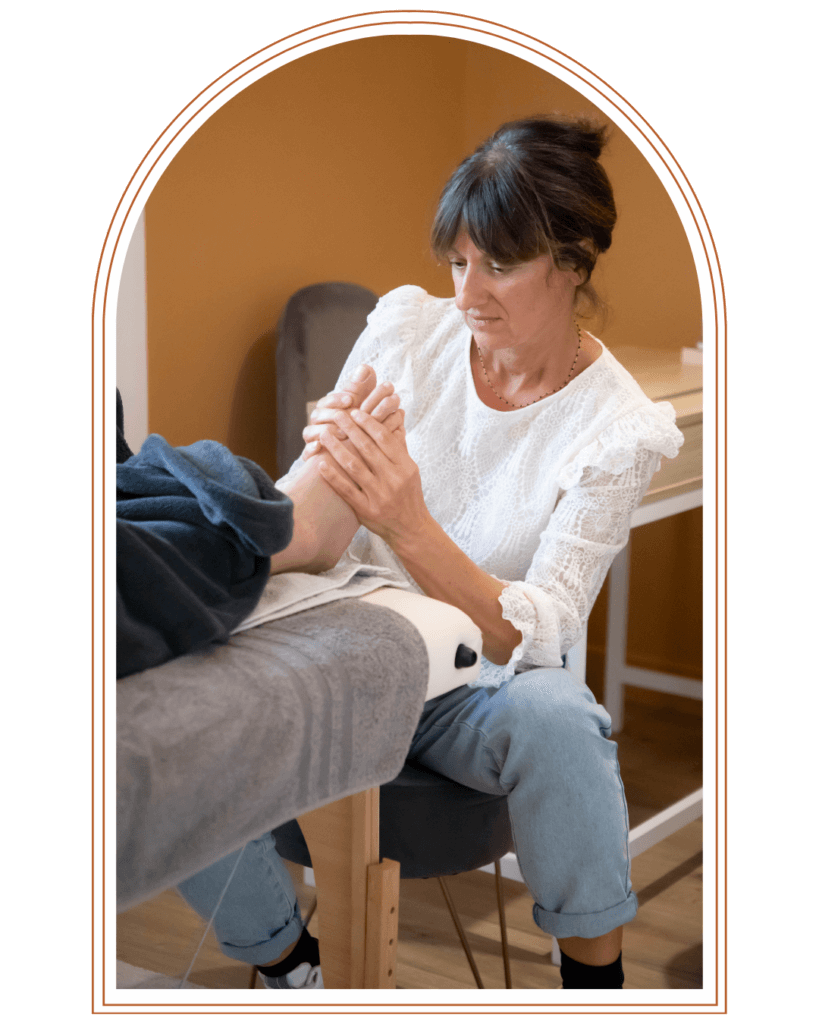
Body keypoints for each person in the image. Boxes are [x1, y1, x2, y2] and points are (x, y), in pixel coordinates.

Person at [176, 115, 684, 990]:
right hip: (337, 650)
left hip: (473, 693)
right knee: (154, 691)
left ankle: (594, 986)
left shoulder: (618, 427)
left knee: (561, 719)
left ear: (571, 261)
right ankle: (286, 959)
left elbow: (539, 637)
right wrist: (244, 518)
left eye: (498, 264)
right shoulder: (411, 332)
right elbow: (321, 529)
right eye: (457, 262)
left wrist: (408, 521)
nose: (468, 292)